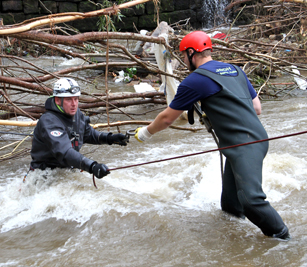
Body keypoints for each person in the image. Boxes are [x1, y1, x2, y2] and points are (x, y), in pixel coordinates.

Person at [133, 31, 290, 239]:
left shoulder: (196, 80)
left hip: (244, 147)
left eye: (183, 56)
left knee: (251, 202)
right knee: (231, 207)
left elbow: (167, 119)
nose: (183, 61)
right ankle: (233, 243)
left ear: (191, 53)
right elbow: (257, 107)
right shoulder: (235, 70)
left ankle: (286, 241)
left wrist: (144, 133)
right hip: (253, 141)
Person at [30, 77, 128, 179]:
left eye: (76, 99)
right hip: (44, 175)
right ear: (58, 100)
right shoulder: (49, 121)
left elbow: (88, 133)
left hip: (67, 172)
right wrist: (92, 166)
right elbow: (65, 152)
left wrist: (110, 138)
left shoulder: (76, 115)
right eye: (69, 100)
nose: (74, 104)